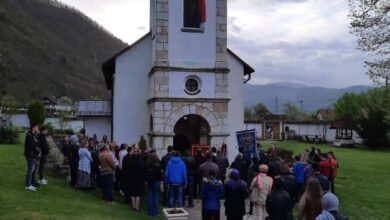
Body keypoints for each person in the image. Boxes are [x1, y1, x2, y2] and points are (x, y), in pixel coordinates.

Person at [122, 147, 145, 211]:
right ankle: (137, 207)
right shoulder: (140, 162)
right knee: (137, 194)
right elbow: (142, 171)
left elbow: (128, 170)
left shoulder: (130, 162)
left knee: (132, 193)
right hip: (138, 179)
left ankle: (134, 207)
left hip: (132, 178)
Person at [24, 124, 41, 191]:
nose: (38, 128)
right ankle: (28, 185)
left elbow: (36, 144)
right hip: (30, 155)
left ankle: (29, 184)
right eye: (37, 127)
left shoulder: (33, 135)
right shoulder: (29, 135)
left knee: (31, 170)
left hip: (32, 155)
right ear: (33, 128)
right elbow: (32, 146)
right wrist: (38, 153)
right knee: (30, 170)